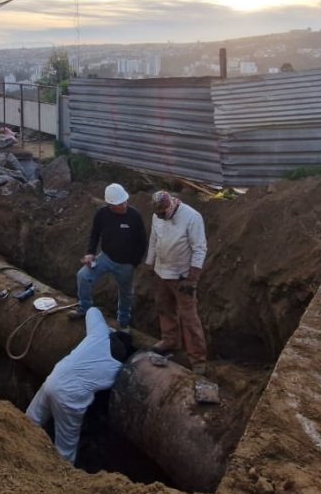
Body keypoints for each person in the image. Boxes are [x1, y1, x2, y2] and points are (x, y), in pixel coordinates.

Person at [26, 307, 131, 464]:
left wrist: (108, 329)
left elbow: (92, 311)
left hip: (53, 381)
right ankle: (59, 473)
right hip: (69, 401)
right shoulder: (116, 370)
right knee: (64, 451)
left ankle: (17, 449)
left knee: (29, 421)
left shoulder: (99, 334)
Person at [145, 190, 209, 375]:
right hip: (161, 272)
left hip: (182, 277)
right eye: (157, 214)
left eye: (163, 213)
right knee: (164, 307)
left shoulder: (192, 217)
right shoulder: (157, 216)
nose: (160, 217)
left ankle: (197, 358)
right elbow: (154, 239)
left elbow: (199, 248)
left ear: (171, 205)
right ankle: (170, 340)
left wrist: (192, 278)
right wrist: (150, 263)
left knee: (189, 317)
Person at [69, 183, 147, 332]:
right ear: (111, 205)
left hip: (126, 264)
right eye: (120, 204)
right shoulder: (102, 215)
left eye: (125, 201)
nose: (124, 205)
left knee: (125, 294)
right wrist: (90, 253)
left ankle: (123, 323)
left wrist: (134, 262)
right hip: (106, 258)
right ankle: (85, 308)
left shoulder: (134, 216)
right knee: (83, 276)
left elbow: (142, 242)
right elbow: (94, 234)